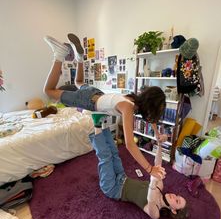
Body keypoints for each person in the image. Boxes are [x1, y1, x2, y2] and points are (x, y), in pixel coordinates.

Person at [43, 34, 167, 178]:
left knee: (78, 81)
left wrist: (157, 134)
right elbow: (130, 144)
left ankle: (80, 57)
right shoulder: (128, 109)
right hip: (89, 100)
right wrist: (150, 169)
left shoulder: (132, 99)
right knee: (48, 90)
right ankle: (59, 54)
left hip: (96, 93)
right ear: (150, 107)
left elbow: (151, 120)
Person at [89, 112, 189, 219]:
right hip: (122, 177)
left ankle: (97, 125)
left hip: (113, 188)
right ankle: (103, 122)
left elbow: (150, 199)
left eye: (177, 201)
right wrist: (160, 144)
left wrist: (153, 180)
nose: (174, 196)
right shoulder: (160, 187)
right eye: (178, 196)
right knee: (114, 153)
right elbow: (158, 164)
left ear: (173, 210)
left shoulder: (155, 212)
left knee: (106, 158)